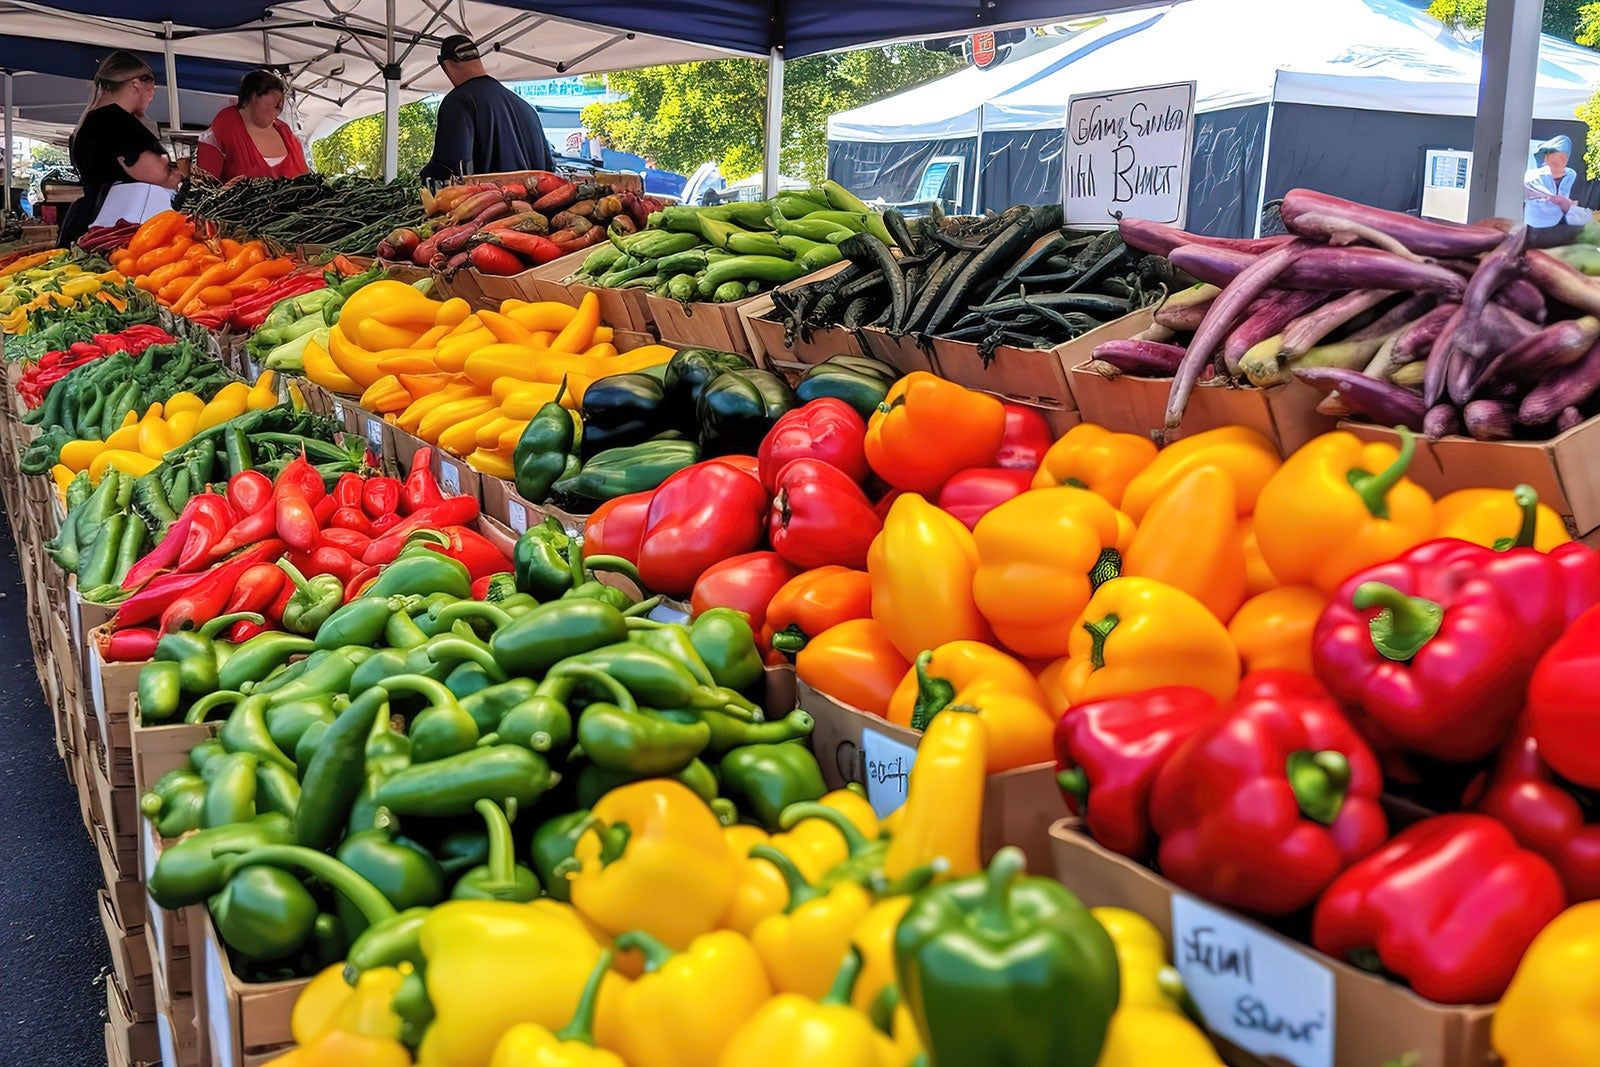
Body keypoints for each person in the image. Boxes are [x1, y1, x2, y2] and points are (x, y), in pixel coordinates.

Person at [59, 51, 184, 247]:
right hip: (115, 232)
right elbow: (156, 172)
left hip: (95, 223)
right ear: (136, 84)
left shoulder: (92, 120)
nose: (152, 95)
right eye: (151, 87)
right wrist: (171, 170)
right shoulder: (113, 119)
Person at [420, 35, 553, 182]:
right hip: (535, 203)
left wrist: (424, 177)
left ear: (445, 65)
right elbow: (549, 170)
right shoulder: (526, 108)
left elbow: (452, 170)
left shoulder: (459, 101)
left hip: (489, 203)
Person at [196, 69, 309, 182]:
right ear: (253, 97)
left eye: (280, 102)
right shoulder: (224, 125)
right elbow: (207, 185)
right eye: (272, 100)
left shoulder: (286, 132)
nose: (279, 106)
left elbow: (304, 178)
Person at [1524, 135, 1587, 234]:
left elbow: (1570, 200)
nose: (1547, 159)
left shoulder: (1571, 175)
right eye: (1548, 153)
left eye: (1563, 157)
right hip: (1533, 225)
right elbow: (1528, 191)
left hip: (1555, 225)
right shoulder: (1534, 176)